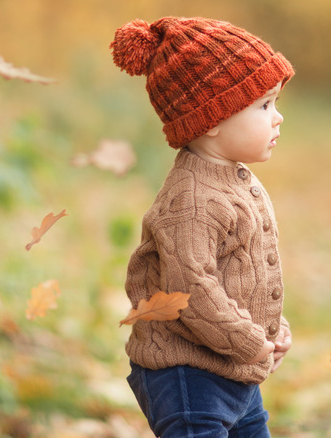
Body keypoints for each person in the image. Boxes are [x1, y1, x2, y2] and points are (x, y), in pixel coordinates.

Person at [111, 16, 295, 437]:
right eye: (264, 105)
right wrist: (248, 341)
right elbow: (191, 288)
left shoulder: (234, 178)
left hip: (232, 365)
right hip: (188, 376)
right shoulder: (191, 201)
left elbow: (244, 272)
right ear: (211, 118)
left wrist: (271, 330)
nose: (278, 117)